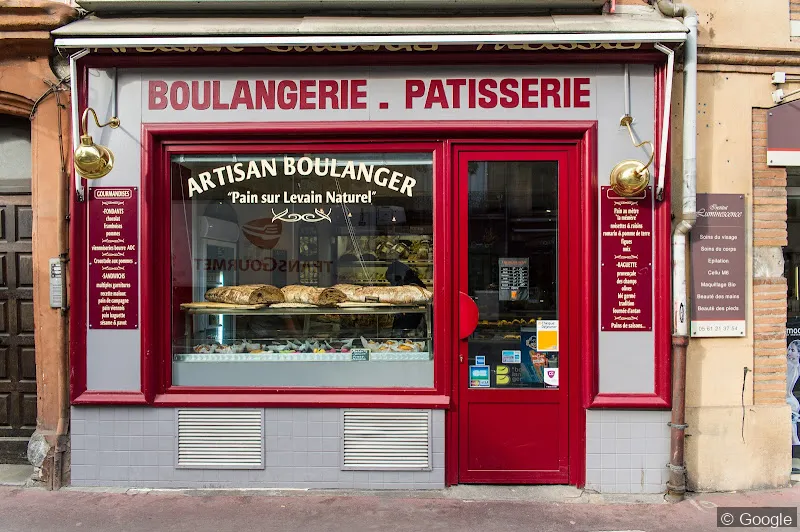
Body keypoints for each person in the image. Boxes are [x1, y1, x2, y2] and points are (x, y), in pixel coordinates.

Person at [385, 259, 426, 331]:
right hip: (411, 315)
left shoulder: (410, 285)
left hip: (410, 318)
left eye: (391, 280)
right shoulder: (411, 279)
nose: (391, 283)